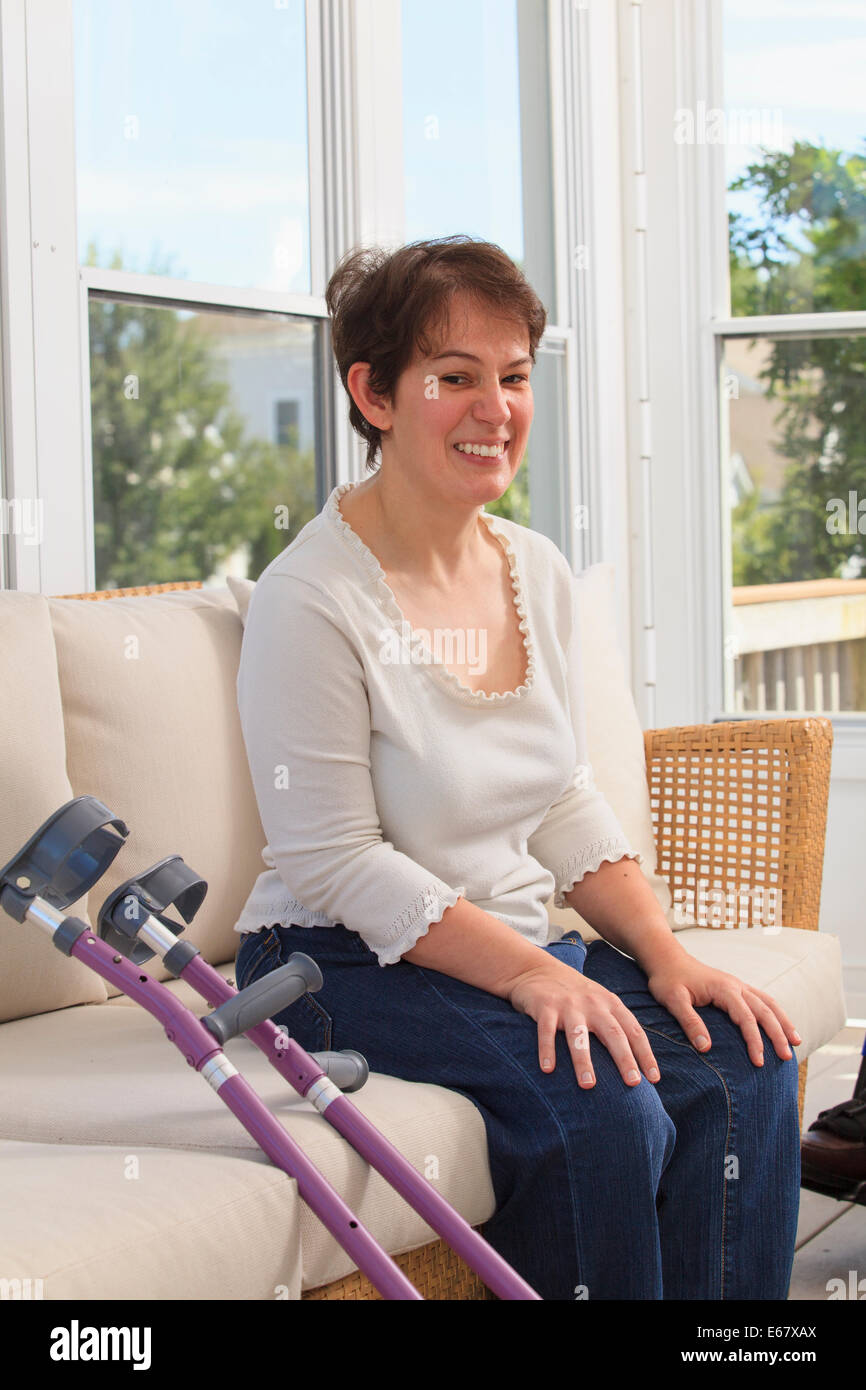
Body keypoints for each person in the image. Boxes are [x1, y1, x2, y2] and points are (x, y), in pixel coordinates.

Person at [232, 235, 802, 1301]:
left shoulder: (530, 568)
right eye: (454, 378)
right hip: (329, 963)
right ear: (375, 393)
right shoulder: (308, 599)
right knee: (602, 1106)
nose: (494, 408)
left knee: (744, 1065)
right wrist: (537, 971)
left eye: (513, 377)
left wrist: (663, 953)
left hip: (497, 939)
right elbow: (334, 859)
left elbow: (557, 797)